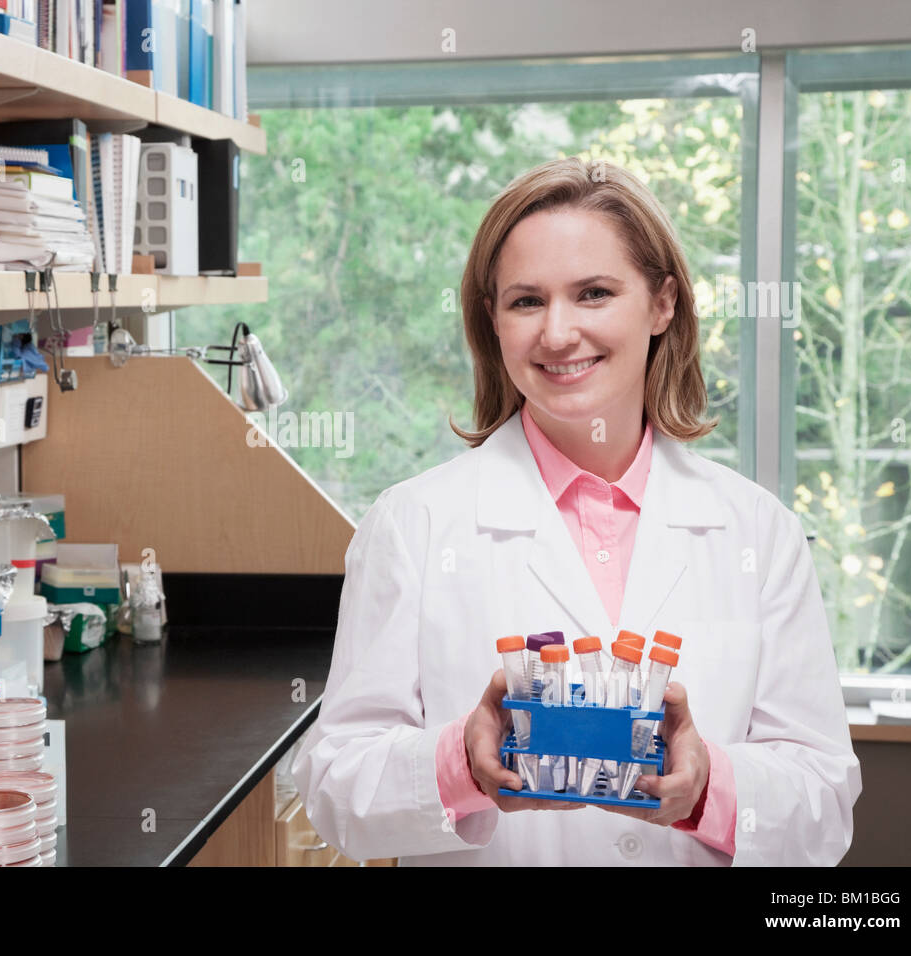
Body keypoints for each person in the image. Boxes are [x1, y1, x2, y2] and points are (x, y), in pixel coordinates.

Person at [292, 156, 861, 866]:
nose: (558, 334)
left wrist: (707, 783)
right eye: (526, 301)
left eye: (593, 293)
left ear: (662, 304)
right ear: (492, 322)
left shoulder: (758, 532)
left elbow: (824, 807)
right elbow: (335, 786)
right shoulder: (413, 525)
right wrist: (459, 765)